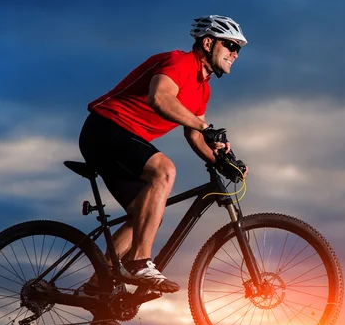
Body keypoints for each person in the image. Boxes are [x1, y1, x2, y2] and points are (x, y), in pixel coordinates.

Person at [77, 15, 248, 295]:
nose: (235, 53)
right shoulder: (179, 61)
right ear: (207, 42)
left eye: (238, 49)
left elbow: (194, 135)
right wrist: (205, 127)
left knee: (143, 216)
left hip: (124, 141)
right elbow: (159, 97)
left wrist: (222, 161)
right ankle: (138, 261)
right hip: (106, 129)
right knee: (164, 171)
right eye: (230, 44)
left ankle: (95, 289)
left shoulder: (203, 89)